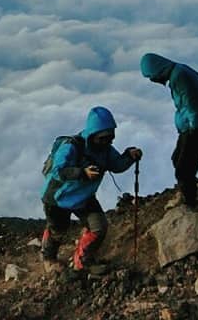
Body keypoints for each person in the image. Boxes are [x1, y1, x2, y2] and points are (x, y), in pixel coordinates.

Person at [40, 106, 142, 275]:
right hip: (58, 197)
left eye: (110, 136)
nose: (108, 141)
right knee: (58, 230)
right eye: (103, 137)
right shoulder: (72, 146)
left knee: (99, 227)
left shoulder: (106, 150)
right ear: (93, 134)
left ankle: (82, 261)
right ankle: (48, 258)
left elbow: (116, 165)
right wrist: (82, 173)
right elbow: (59, 170)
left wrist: (129, 156)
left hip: (83, 197)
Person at [140, 53, 198, 209]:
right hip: (195, 126)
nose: (152, 80)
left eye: (151, 76)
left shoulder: (180, 78)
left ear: (157, 70)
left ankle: (190, 204)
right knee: (178, 160)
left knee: (184, 169)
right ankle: (188, 194)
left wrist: (194, 132)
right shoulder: (179, 72)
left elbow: (193, 105)